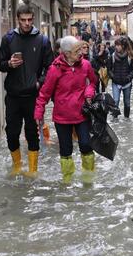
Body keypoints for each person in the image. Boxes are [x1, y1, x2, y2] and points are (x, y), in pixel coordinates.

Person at [0, 3, 54, 177]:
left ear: (33, 19)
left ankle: (33, 170)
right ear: (17, 20)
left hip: (33, 96)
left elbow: (50, 67)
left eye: (30, 20)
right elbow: (0, 64)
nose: (27, 23)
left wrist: (40, 82)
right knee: (11, 133)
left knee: (32, 133)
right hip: (13, 95)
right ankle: (16, 166)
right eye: (23, 20)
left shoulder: (43, 40)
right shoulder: (8, 39)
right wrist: (9, 64)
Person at [34, 36, 98, 183]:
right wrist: (39, 112)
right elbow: (44, 93)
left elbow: (93, 82)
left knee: (86, 145)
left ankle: (89, 177)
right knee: (65, 150)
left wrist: (89, 93)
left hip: (82, 113)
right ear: (67, 53)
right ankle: (67, 180)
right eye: (77, 51)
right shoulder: (54, 70)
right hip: (62, 117)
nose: (81, 53)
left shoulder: (86, 65)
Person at [108, 37, 133, 119]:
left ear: (123, 46)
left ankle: (127, 119)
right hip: (116, 83)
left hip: (127, 84)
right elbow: (109, 69)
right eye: (116, 45)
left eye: (118, 45)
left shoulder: (129, 56)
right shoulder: (112, 56)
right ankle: (115, 119)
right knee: (116, 101)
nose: (116, 47)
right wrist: (114, 77)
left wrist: (128, 78)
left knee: (127, 103)